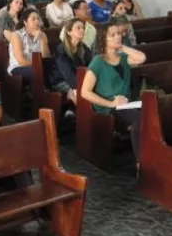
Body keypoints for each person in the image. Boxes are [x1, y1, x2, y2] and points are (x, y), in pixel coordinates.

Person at [80, 22, 146, 161]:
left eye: (118, 34)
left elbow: (142, 58)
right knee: (139, 118)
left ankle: (153, 156)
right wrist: (110, 103)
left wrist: (122, 47)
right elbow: (85, 92)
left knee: (152, 112)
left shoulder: (123, 58)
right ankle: (142, 162)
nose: (118, 37)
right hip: (108, 107)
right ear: (103, 39)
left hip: (126, 103)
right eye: (112, 35)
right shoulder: (98, 62)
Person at [50, 18, 93, 107]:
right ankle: (81, 117)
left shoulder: (85, 48)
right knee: (79, 93)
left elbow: (91, 67)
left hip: (80, 80)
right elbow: (67, 74)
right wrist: (79, 87)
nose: (82, 30)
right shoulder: (61, 50)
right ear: (69, 32)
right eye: (78, 28)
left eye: (83, 27)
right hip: (61, 81)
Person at [7, 9, 51, 80]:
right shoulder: (17, 35)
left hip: (37, 66)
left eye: (38, 19)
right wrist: (38, 65)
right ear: (25, 22)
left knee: (53, 67)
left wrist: (42, 39)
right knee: (37, 71)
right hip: (18, 67)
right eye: (33, 19)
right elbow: (21, 61)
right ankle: (42, 90)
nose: (37, 21)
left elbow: (46, 58)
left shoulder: (42, 35)